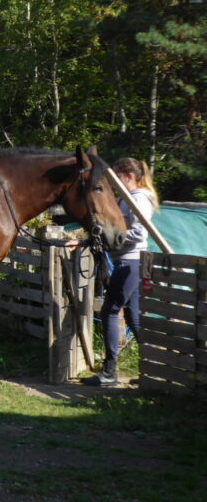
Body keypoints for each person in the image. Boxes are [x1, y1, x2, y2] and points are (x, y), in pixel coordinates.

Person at [86, 157, 159, 386]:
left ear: (128, 176)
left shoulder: (138, 199)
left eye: (117, 178)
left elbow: (140, 233)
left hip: (131, 262)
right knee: (133, 316)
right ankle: (153, 370)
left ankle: (109, 371)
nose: (114, 183)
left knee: (109, 311)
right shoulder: (127, 199)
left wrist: (116, 238)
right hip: (129, 261)